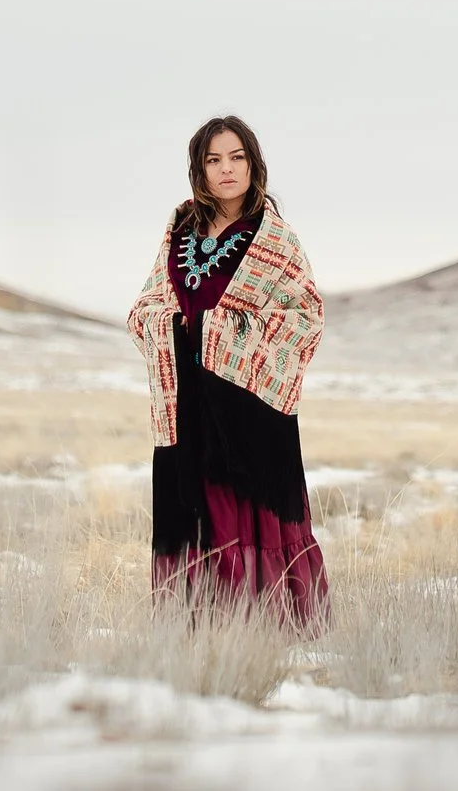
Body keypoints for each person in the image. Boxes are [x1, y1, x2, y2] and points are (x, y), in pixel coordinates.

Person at [126, 114, 329, 628]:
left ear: (253, 162)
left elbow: (305, 316)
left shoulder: (275, 240)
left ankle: (268, 626)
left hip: (249, 405)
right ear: (199, 168)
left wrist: (223, 333)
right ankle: (195, 627)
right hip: (186, 405)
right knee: (191, 509)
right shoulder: (179, 230)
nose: (226, 169)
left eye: (236, 157)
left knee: (244, 510)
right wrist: (169, 325)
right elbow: (145, 307)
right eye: (213, 160)